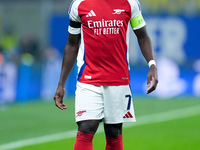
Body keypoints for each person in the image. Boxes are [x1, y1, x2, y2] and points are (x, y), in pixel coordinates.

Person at [54, 0, 158, 149]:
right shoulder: (79, 5)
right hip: (88, 78)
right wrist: (61, 84)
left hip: (118, 79)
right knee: (86, 128)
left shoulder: (130, 4)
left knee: (113, 132)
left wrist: (152, 65)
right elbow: (72, 44)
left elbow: (143, 36)